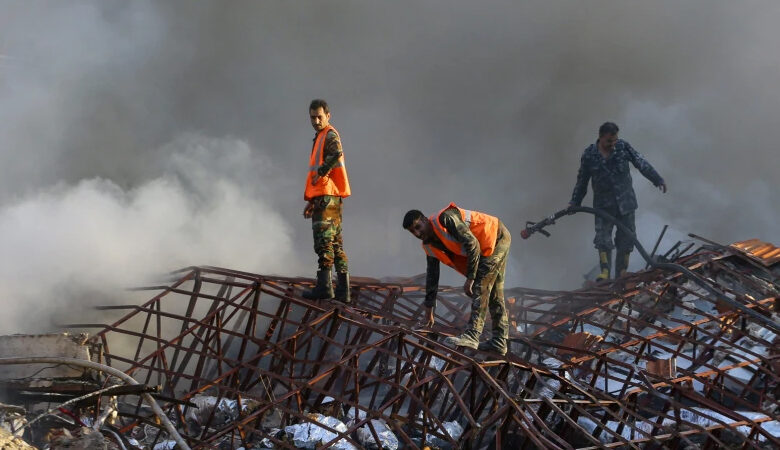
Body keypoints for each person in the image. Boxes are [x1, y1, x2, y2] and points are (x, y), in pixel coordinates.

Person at [403, 203, 511, 355]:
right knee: (493, 293)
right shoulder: (429, 246)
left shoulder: (445, 219)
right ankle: (500, 342)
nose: (417, 233)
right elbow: (432, 277)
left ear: (425, 219)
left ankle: (473, 335)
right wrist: (429, 310)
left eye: (418, 227)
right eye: (413, 231)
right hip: (486, 248)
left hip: (495, 236)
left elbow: (472, 244)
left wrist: (471, 278)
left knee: (481, 285)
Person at [568, 122, 667, 280]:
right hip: (603, 207)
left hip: (625, 204)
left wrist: (658, 180)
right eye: (609, 141)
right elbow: (582, 181)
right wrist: (574, 202)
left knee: (626, 239)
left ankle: (621, 272)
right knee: (603, 240)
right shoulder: (589, 155)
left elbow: (641, 163)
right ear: (600, 138)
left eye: (615, 140)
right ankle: (605, 273)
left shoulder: (622, 147)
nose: (613, 145)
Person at [302, 99, 351, 303]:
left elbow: (336, 154)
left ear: (327, 116)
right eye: (312, 117)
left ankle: (325, 288)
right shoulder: (321, 135)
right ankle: (343, 290)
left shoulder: (329, 134)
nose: (316, 121)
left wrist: (321, 173)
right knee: (336, 244)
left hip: (327, 197)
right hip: (329, 197)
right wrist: (312, 202)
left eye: (319, 117)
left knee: (324, 244)